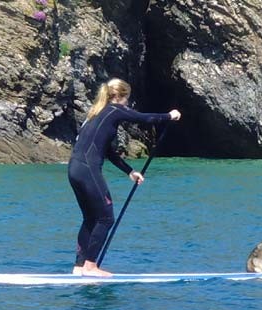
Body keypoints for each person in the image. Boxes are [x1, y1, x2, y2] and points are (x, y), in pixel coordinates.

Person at [68, 78, 180, 277]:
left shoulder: (95, 114)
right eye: (127, 99)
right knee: (105, 217)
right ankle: (90, 266)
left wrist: (129, 171)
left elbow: (108, 151)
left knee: (91, 218)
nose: (127, 103)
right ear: (120, 96)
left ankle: (79, 267)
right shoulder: (114, 109)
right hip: (87, 169)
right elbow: (144, 118)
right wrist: (169, 116)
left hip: (75, 169)